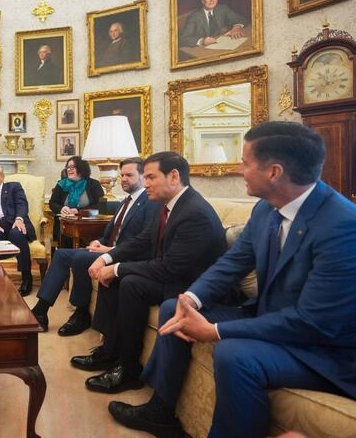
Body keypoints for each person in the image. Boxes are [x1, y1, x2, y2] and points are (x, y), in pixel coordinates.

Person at [109, 122, 356, 438]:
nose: (240, 170)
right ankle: (161, 411)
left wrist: (214, 330)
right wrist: (193, 298)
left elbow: (310, 322)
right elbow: (233, 262)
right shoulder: (266, 210)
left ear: (274, 172)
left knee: (233, 354)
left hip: (322, 347)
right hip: (270, 315)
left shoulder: (342, 226)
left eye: (245, 162)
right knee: (174, 308)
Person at [76, 151, 226, 394]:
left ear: (174, 176)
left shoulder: (195, 213)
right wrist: (106, 258)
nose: (145, 184)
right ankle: (111, 353)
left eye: (151, 177)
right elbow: (143, 240)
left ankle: (129, 369)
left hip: (191, 287)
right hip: (174, 277)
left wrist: (116, 269)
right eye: (144, 177)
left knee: (129, 282)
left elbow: (170, 268)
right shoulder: (166, 205)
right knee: (117, 280)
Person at [33, 158, 158, 335]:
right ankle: (40, 311)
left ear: (143, 176)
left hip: (121, 256)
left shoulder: (150, 202)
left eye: (129, 175)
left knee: (81, 257)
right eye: (122, 175)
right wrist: (97, 241)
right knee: (61, 254)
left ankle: (81, 314)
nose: (123, 179)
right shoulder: (125, 202)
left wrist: (108, 251)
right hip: (105, 249)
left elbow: (143, 240)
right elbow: (110, 232)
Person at [0, 165, 36, 296]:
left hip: (14, 223)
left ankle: (26, 277)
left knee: (17, 232)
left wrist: (19, 219)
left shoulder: (13, 187)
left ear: (2, 177)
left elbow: (22, 205)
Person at [48, 156, 104, 247]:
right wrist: (61, 208)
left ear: (81, 168)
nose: (69, 170)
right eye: (68, 167)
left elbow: (100, 206)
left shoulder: (94, 184)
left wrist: (79, 211)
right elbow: (52, 203)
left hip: (89, 225)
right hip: (65, 225)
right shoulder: (61, 185)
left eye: (72, 167)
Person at [178, 0, 246, 49]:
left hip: (220, 44)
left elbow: (240, 19)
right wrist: (202, 41)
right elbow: (182, 39)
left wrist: (236, 28)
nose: (212, 0)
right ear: (202, 1)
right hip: (201, 49)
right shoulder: (194, 17)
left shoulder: (222, 9)